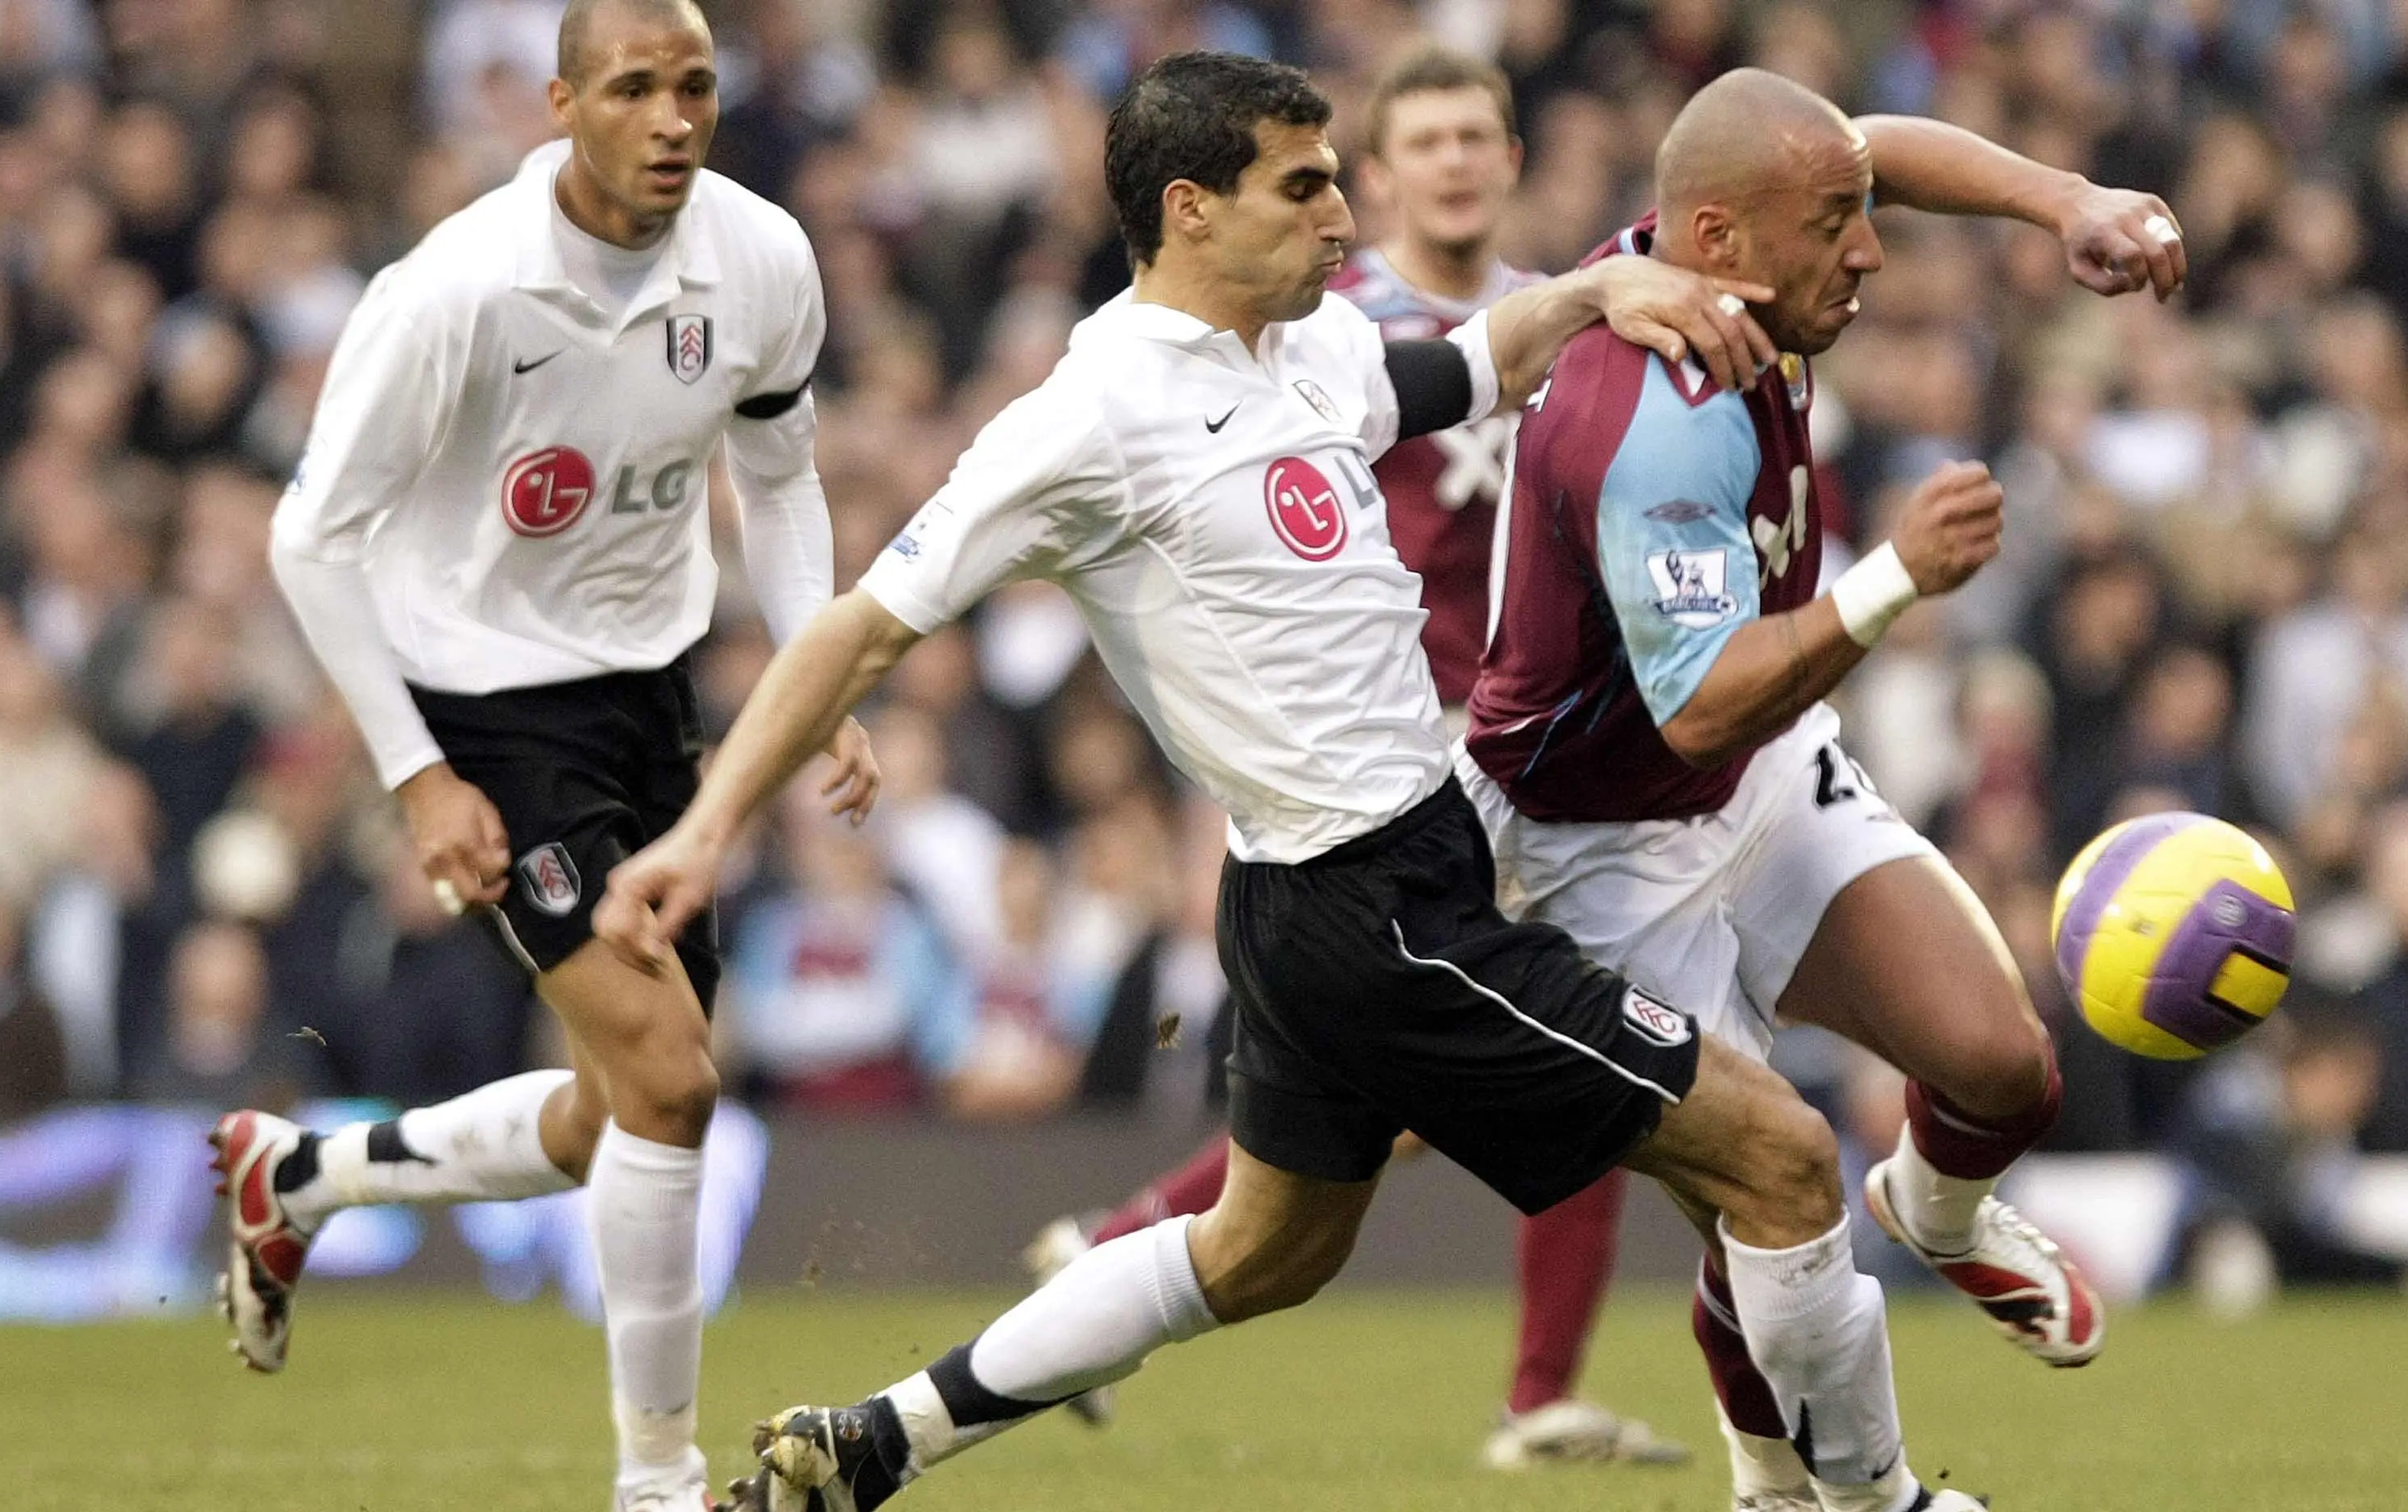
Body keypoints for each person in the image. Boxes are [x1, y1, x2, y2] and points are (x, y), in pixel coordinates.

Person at [604, 51, 1982, 1512]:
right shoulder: (1091, 416)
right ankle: (1871, 1504)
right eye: (1306, 183)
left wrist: (1591, 297)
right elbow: (860, 626)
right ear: (1190, 209)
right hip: (1369, 912)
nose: (1345, 216)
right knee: (1773, 1155)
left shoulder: (1304, 348)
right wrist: (705, 829)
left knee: (1261, 1253)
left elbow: (1472, 366)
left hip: (1348, 886)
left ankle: (878, 1443)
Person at [1457, 68, 2187, 1510]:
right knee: (1768, 1196)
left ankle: (1934, 1204)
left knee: (2000, 1069)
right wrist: (1896, 574)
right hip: (1598, 842)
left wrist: (2065, 202)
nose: (1870, 251)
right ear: (1718, 240)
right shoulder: (1651, 414)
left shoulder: (1731, 246)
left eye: (1861, 217)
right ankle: (1839, 1496)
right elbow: (1694, 703)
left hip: (1759, 762)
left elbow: (1870, 152)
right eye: (1836, 227)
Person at [205, 2, 880, 1508]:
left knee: (616, 1111)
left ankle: (298, 1177)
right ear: (561, 102)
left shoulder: (761, 257)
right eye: (635, 88)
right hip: (484, 706)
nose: (672, 119)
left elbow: (779, 479)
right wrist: (414, 774)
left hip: (653, 693)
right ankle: (659, 1483)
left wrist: (812, 672)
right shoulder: (456, 291)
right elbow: (312, 538)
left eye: (696, 86)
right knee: (671, 1077)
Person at [1023, 45, 1687, 1472]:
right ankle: (1530, 1391)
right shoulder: (1316, 316)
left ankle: (1121, 1248)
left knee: (1490, 1058)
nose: (1452, 162)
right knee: (1557, 1036)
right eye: (1425, 140)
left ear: (1513, 160)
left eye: (1477, 137)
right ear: (1376, 174)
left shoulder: (1556, 319)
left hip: (1523, 741)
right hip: (1390, 757)